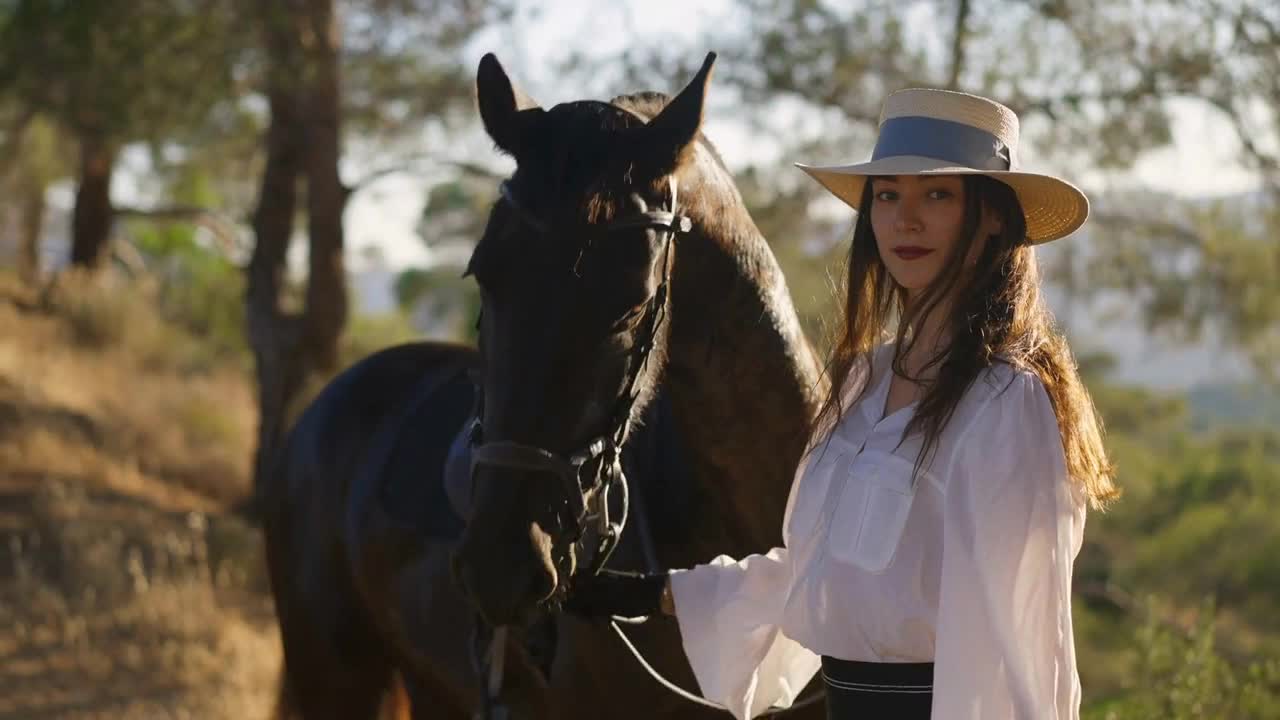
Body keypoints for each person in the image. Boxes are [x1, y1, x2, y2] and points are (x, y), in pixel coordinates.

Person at [565, 87, 1120, 720]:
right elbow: (816, 572)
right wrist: (645, 593)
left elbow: (1025, 632)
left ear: (992, 215)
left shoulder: (1006, 403)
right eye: (888, 195)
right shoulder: (864, 382)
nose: (904, 220)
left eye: (937, 194)